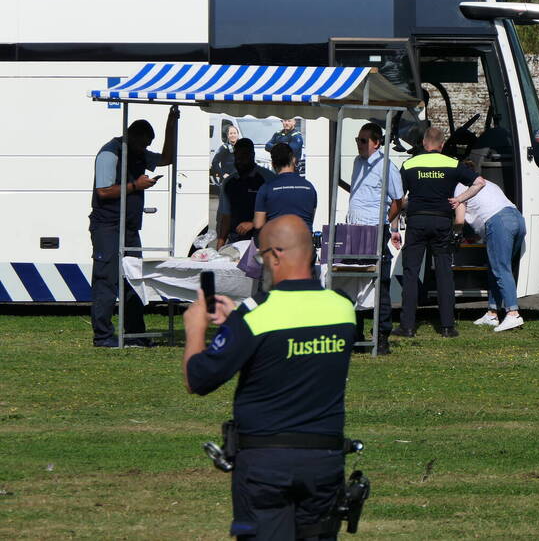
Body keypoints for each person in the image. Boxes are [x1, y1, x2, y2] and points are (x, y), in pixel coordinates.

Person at [183, 215, 357, 540]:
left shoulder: (254, 316)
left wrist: (196, 330)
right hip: (324, 460)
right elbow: (290, 332)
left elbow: (199, 379)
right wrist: (235, 322)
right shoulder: (343, 310)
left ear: (275, 255)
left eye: (261, 256)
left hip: (266, 462)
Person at [89, 107, 179, 347]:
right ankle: (104, 337)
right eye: (145, 143)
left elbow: (166, 159)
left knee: (133, 279)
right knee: (106, 280)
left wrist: (172, 123)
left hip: (129, 227)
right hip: (107, 225)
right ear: (133, 136)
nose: (146, 148)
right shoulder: (109, 153)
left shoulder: (138, 152)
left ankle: (136, 334)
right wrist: (135, 186)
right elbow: (103, 191)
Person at [396, 127, 485, 338]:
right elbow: (479, 182)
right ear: (442, 145)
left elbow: (398, 197)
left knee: (410, 272)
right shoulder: (453, 164)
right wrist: (460, 199)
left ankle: (407, 326)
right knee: (444, 273)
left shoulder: (409, 164)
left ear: (424, 144)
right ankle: (447, 326)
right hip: (442, 222)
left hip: (417, 221)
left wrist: (393, 224)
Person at [337, 123, 403, 354]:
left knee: (379, 283)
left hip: (374, 228)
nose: (359, 144)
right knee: (353, 281)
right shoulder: (358, 162)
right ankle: (356, 333)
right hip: (355, 228)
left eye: (364, 140)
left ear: (376, 143)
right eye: (358, 139)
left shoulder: (386, 166)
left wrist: (385, 220)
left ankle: (382, 335)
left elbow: (398, 200)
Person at [454, 166, 528, 332]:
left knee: (501, 269)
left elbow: (459, 220)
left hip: (498, 221)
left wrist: (455, 234)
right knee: (497, 268)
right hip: (517, 218)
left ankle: (513, 314)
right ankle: (492, 312)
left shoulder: (459, 187)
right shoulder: (490, 183)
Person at [215, 138, 275, 249]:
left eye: (244, 156)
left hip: (262, 242)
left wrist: (253, 223)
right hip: (235, 242)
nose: (239, 160)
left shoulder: (267, 178)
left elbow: (276, 210)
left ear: (252, 155)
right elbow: (226, 216)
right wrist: (220, 243)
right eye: (237, 156)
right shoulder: (228, 182)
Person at [254, 143, 317, 233]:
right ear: (293, 160)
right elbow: (310, 219)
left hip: (277, 243)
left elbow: (259, 224)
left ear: (273, 164)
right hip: (304, 244)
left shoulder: (266, 189)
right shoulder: (309, 187)